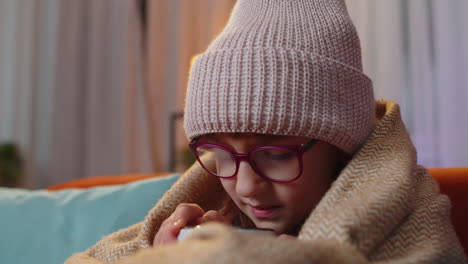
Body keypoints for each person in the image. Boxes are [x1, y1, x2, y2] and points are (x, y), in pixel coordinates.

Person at [67, 0, 467, 263]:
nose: (245, 187)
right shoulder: (196, 224)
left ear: (343, 150)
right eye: (219, 153)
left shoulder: (415, 223)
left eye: (275, 155)